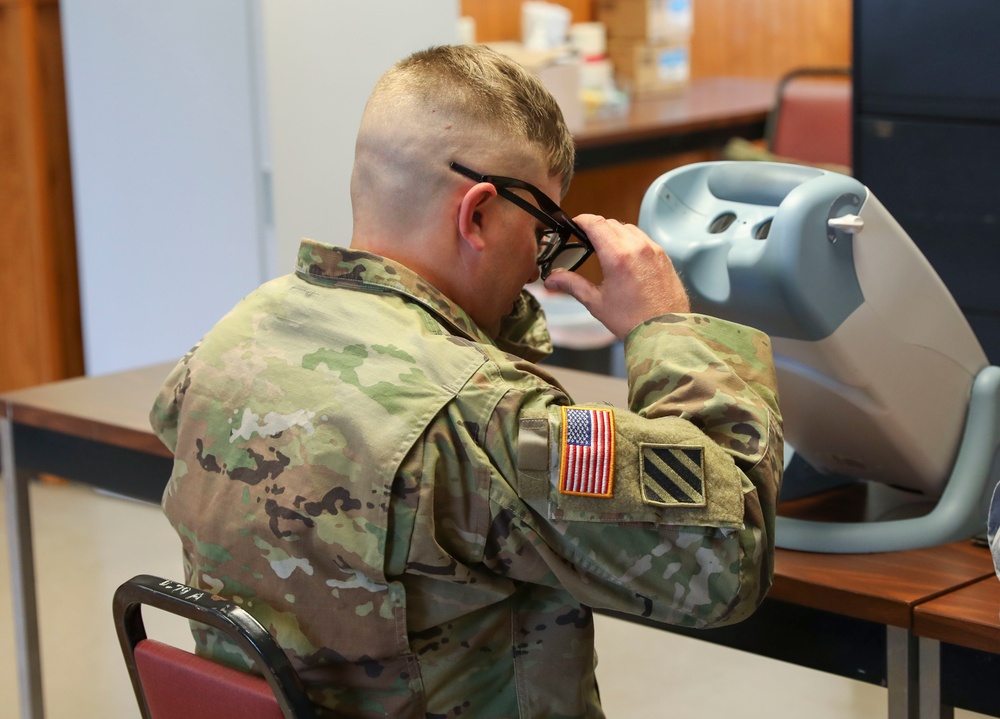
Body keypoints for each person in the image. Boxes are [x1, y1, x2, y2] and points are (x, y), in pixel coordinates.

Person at [150, 44, 783, 719]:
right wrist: (666, 327)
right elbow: (730, 555)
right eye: (543, 231)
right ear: (477, 214)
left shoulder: (226, 346)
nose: (540, 268)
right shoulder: (483, 416)